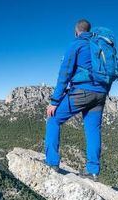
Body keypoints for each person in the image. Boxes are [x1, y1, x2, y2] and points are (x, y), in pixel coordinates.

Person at [44, 19, 110, 179]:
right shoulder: (100, 45)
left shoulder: (76, 44)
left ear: (76, 31)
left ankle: (52, 162)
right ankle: (92, 171)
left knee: (53, 119)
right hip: (100, 94)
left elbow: (65, 73)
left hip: (82, 92)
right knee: (93, 130)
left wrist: (54, 102)